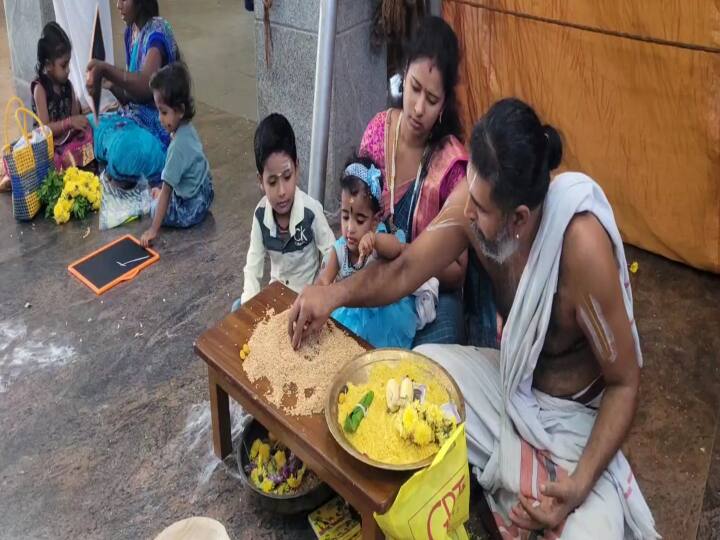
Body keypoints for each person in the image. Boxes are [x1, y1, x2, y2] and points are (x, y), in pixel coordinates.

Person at [288, 98, 658, 538]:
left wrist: (577, 488)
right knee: (420, 371)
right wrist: (330, 295)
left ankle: (544, 483)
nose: (465, 213)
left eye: (481, 209)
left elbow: (624, 383)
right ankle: (515, 472)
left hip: (576, 423)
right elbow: (405, 270)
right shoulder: (474, 201)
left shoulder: (581, 249)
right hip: (512, 388)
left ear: (519, 217)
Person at [359, 15, 493, 346]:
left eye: (431, 100)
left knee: (433, 358)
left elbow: (456, 272)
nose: (418, 108)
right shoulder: (378, 132)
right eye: (414, 88)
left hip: (430, 295)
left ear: (444, 103)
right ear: (403, 75)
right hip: (376, 272)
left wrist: (402, 256)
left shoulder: (451, 167)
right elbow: (353, 212)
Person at [233, 113, 335, 311]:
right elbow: (253, 268)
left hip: (306, 304)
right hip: (276, 300)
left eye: (287, 177)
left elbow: (332, 252)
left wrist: (320, 288)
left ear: (297, 168)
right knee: (237, 307)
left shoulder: (311, 211)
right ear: (260, 181)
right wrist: (247, 309)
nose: (281, 191)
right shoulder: (260, 216)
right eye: (272, 182)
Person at [315, 156, 416, 348]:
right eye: (345, 216)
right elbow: (323, 281)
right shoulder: (340, 250)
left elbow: (396, 249)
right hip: (350, 313)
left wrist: (376, 241)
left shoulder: (379, 239)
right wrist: (315, 294)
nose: (350, 228)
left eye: (360, 220)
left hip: (382, 316)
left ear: (375, 221)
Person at [85, 0, 178, 186]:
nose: (118, 5)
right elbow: (131, 98)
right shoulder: (131, 32)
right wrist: (111, 85)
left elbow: (146, 86)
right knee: (88, 124)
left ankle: (126, 166)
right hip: (134, 117)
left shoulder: (158, 32)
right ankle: (122, 168)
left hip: (160, 128)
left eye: (124, 0)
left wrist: (107, 69)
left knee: (123, 151)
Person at [140, 63, 214, 247]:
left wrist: (153, 230)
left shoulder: (176, 148)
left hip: (192, 208)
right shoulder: (188, 128)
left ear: (180, 110)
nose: (159, 118)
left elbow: (166, 191)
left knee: (154, 207)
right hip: (206, 192)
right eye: (158, 111)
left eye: (164, 112)